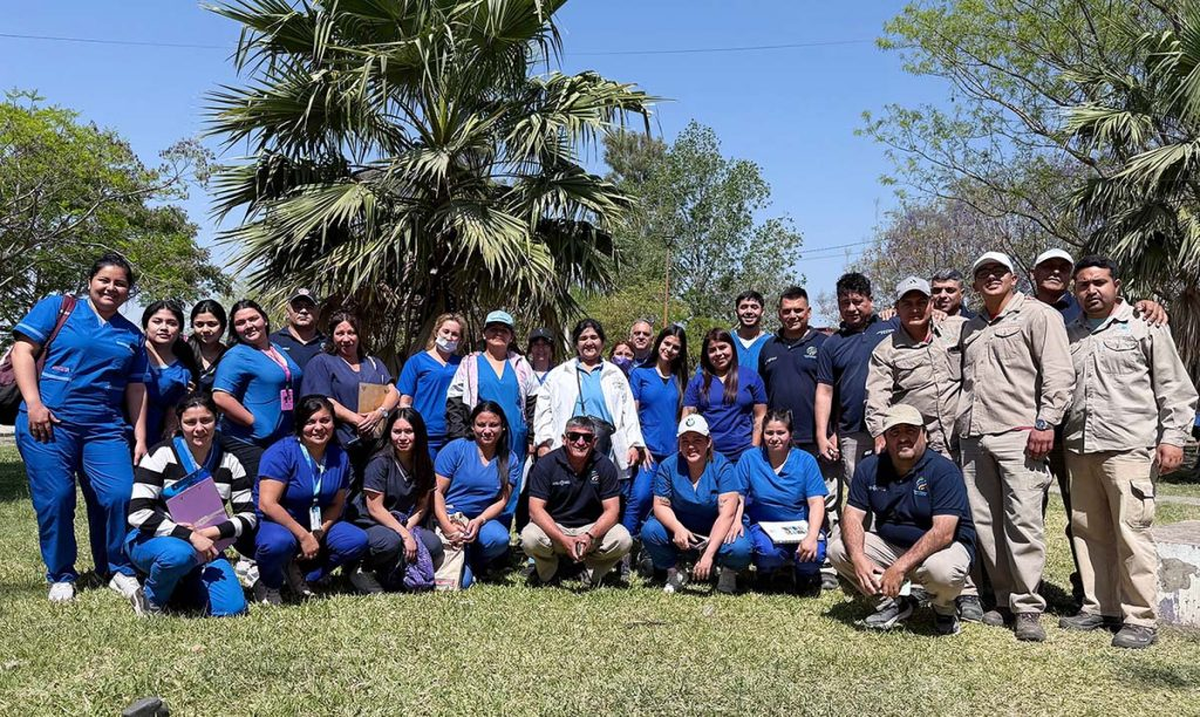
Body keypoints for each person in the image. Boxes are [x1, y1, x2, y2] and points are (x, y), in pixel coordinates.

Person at [1058, 256, 1198, 649]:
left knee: (1132, 532)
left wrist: (1173, 438)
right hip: (1080, 446)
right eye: (1083, 285)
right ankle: (1098, 606)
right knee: (1088, 531)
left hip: (1129, 447)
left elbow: (1175, 387)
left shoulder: (1144, 325)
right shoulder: (1070, 334)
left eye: (1099, 282)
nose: (1091, 290)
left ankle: (1140, 617)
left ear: (1116, 286)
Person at [12, 252, 149, 602]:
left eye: (120, 284)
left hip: (104, 428)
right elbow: (22, 352)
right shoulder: (59, 308)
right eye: (105, 280)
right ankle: (61, 574)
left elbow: (136, 387)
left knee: (120, 494)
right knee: (56, 498)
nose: (111, 288)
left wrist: (139, 435)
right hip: (48, 423)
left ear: (129, 291)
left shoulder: (131, 335)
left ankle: (118, 567)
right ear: (90, 282)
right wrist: (34, 404)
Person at [957, 251, 1074, 642]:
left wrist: (1046, 422)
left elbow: (1058, 373)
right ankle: (1004, 599)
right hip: (974, 435)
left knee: (1023, 520)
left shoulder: (1039, 315)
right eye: (983, 273)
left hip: (1020, 434)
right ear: (975, 284)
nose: (991, 277)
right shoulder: (971, 326)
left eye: (999, 271)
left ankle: (1027, 606)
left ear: (1013, 279)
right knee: (986, 522)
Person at [828, 404, 977, 635]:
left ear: (925, 435)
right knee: (838, 549)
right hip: (893, 546)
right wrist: (858, 558)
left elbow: (944, 532)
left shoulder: (944, 471)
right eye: (895, 432)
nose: (903, 438)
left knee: (941, 571)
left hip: (941, 550)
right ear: (885, 438)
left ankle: (944, 609)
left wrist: (899, 568)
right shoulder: (869, 467)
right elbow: (852, 516)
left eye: (911, 431)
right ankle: (891, 604)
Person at [126, 393, 255, 616]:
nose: (199, 428)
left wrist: (209, 533)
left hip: (208, 547)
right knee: (179, 555)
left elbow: (248, 517)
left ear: (217, 420)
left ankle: (180, 584)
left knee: (232, 608)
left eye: (206, 420)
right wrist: (190, 536)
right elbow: (138, 514)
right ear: (179, 423)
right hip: (154, 540)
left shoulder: (230, 461)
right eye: (190, 422)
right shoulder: (160, 455)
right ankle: (150, 599)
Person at [757, 286, 839, 589]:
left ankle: (824, 563)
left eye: (798, 310)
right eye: (787, 311)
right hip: (778, 441)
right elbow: (762, 399)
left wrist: (832, 432)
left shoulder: (824, 344)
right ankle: (783, 561)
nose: (792, 315)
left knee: (823, 502)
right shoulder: (769, 347)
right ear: (779, 313)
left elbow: (833, 392)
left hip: (816, 439)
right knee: (781, 501)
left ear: (809, 312)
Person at [254, 396, 370, 604]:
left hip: (316, 524)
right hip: (280, 523)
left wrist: (317, 534)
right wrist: (303, 536)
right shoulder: (281, 453)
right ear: (300, 425)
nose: (318, 427)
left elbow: (337, 504)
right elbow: (267, 504)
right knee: (277, 543)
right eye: (310, 422)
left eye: (325, 420)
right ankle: (268, 582)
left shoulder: (339, 456)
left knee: (356, 540)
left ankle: (303, 573)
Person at [815, 273, 899, 522]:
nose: (851, 308)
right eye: (845, 303)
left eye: (858, 301)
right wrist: (822, 434)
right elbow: (825, 392)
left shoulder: (892, 327)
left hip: (893, 427)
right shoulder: (832, 344)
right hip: (852, 432)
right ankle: (863, 541)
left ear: (870, 300)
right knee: (860, 492)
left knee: (896, 488)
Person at [640, 415, 753, 594]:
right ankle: (675, 571)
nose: (691, 446)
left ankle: (727, 572)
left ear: (708, 442)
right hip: (683, 530)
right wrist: (677, 528)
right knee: (650, 530)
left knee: (740, 547)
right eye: (685, 441)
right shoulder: (668, 466)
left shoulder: (722, 466)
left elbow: (727, 514)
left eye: (697, 440)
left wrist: (708, 554)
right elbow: (660, 505)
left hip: (716, 530)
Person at [521, 416, 633, 587]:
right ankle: (549, 573)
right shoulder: (546, 464)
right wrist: (563, 539)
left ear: (594, 441)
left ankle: (589, 572)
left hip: (590, 530)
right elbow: (535, 510)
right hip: (555, 528)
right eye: (574, 436)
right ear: (564, 439)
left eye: (587, 438)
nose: (580, 442)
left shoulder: (605, 466)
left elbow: (612, 511)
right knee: (529, 537)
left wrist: (590, 536)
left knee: (623, 539)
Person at [865, 277, 966, 457]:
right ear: (897, 308)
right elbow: (876, 397)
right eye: (907, 304)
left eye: (921, 303)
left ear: (931, 304)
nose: (915, 309)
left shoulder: (958, 330)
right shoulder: (885, 351)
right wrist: (879, 434)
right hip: (921, 445)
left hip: (965, 440)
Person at [348, 408, 444, 592]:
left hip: (404, 522)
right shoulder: (380, 461)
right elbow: (375, 508)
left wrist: (408, 529)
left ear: (418, 434)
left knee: (433, 545)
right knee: (390, 542)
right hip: (373, 523)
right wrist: (405, 535)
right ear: (389, 433)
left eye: (408, 431)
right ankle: (361, 568)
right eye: (397, 431)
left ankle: (392, 575)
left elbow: (422, 504)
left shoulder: (424, 462)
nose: (403, 437)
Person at [534, 319, 644, 479]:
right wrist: (544, 442)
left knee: (603, 489)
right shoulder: (558, 374)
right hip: (568, 448)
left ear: (602, 342)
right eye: (583, 338)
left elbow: (628, 412)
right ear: (576, 344)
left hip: (605, 449)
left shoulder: (615, 374)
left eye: (594, 337)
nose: (589, 342)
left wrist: (634, 444)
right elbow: (544, 411)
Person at [433, 401, 523, 588]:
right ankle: (463, 560)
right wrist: (448, 526)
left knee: (499, 539)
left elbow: (503, 500)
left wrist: (480, 520)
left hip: (482, 520)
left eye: (493, 425)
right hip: (452, 517)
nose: (487, 430)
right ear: (472, 427)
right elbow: (437, 492)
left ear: (503, 427)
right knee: (463, 583)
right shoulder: (455, 449)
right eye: (481, 425)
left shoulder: (510, 459)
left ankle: (474, 561)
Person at [212, 299, 303, 481]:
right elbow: (220, 397)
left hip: (280, 438)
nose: (248, 326)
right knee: (267, 490)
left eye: (253, 319)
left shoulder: (276, 349)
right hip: (248, 440)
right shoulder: (236, 355)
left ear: (265, 320)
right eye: (240, 323)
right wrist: (253, 422)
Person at [738, 410, 827, 592]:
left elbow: (816, 502)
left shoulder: (806, 461)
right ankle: (766, 573)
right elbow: (737, 495)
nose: (774, 438)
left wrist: (811, 536)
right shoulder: (750, 458)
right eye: (769, 433)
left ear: (791, 434)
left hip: (799, 525)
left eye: (781, 433)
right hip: (764, 526)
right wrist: (735, 521)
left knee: (815, 553)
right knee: (768, 552)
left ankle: (804, 576)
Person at [301, 311, 399, 472]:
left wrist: (380, 413)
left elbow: (393, 392)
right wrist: (358, 421)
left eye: (351, 333)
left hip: (377, 447)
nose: (346, 339)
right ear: (332, 336)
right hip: (340, 447)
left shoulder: (373, 363)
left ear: (359, 335)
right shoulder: (322, 362)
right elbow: (324, 401)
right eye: (340, 333)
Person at [626, 325, 689, 538]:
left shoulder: (681, 379)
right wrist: (639, 445)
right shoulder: (640, 374)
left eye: (675, 347)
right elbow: (631, 415)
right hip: (648, 452)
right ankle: (625, 543)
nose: (669, 350)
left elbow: (685, 416)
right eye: (666, 343)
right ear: (659, 343)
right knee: (640, 496)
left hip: (674, 454)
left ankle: (654, 543)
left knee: (668, 503)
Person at [683, 329, 767, 465]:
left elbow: (760, 417)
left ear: (732, 348)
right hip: (708, 456)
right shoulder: (698, 381)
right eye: (712, 350)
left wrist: (753, 450)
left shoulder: (751, 377)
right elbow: (687, 417)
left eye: (723, 347)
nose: (718, 353)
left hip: (743, 455)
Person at [398, 313, 464, 460]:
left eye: (455, 334)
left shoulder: (464, 364)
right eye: (446, 331)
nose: (449, 337)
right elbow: (405, 401)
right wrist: (407, 430)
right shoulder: (416, 361)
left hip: (454, 435)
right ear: (436, 332)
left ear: (460, 339)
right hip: (425, 435)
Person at [141, 301, 199, 443]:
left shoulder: (182, 372)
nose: (164, 328)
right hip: (115, 431)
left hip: (154, 438)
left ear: (179, 330)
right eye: (157, 321)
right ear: (146, 325)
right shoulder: (131, 354)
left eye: (172, 323)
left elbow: (172, 416)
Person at [269, 288, 327, 370]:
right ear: (287, 312)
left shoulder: (328, 343)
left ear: (318, 313)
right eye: (298, 307)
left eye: (309, 307)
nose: (304, 311)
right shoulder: (272, 342)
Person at [188, 300, 228, 394]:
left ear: (223, 325)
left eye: (212, 324)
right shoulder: (181, 352)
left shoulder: (229, 356)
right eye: (199, 324)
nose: (205, 330)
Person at [732, 290, 770, 377]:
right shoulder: (726, 342)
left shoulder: (771, 343)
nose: (749, 311)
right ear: (736, 312)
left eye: (754, 307)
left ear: (762, 312)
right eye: (744, 307)